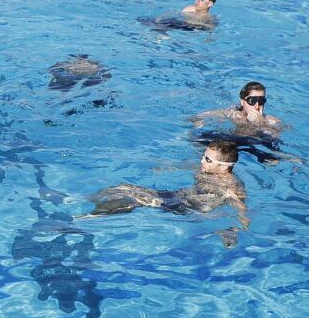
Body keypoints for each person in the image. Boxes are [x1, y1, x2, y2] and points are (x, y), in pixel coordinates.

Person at [90, 141, 250, 244]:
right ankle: (86, 200)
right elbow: (186, 165)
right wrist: (165, 167)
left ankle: (93, 218)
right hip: (179, 197)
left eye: (207, 160)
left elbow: (241, 208)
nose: (202, 161)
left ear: (223, 166)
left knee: (135, 198)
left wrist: (234, 231)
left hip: (189, 208)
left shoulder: (231, 186)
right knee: (121, 186)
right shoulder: (207, 170)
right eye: (203, 156)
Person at [191, 80, 283, 135]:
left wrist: (260, 124)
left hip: (255, 145)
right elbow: (199, 117)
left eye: (261, 101)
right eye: (252, 100)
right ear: (242, 102)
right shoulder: (233, 113)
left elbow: (275, 138)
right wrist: (200, 121)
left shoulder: (270, 120)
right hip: (233, 142)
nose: (257, 106)